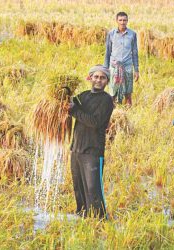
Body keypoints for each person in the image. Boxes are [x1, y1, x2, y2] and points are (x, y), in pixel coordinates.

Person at [68, 65, 114, 219]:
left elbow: (95, 122)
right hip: (76, 149)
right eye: (96, 77)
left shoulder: (106, 100)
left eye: (102, 78)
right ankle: (82, 216)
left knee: (93, 189)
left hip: (93, 151)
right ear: (90, 78)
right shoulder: (84, 96)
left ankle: (99, 219)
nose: (98, 80)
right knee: (78, 187)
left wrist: (74, 110)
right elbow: (69, 102)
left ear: (107, 81)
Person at [104, 12, 139, 106]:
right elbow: (107, 52)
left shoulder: (132, 34)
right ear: (117, 21)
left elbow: (135, 53)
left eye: (124, 20)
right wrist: (105, 69)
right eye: (120, 20)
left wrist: (136, 70)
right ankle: (112, 112)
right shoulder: (111, 34)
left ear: (127, 21)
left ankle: (128, 110)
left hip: (127, 66)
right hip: (114, 66)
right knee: (112, 91)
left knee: (128, 92)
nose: (122, 22)